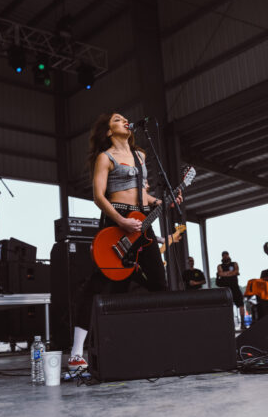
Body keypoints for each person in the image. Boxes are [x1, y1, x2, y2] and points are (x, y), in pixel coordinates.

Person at [68, 112, 182, 372]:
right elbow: (99, 196)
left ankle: (164, 344)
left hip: (142, 222)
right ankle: (76, 353)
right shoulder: (105, 157)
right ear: (109, 131)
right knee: (99, 283)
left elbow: (143, 193)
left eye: (124, 119)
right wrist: (121, 220)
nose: (124, 120)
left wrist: (161, 202)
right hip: (116, 221)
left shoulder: (140, 155)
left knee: (159, 282)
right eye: (117, 119)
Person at [216, 251, 245, 328]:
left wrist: (225, 274)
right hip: (226, 289)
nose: (225, 256)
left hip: (235, 287)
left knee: (241, 305)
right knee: (227, 307)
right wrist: (231, 273)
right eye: (224, 255)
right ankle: (229, 325)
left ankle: (243, 323)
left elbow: (236, 271)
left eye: (226, 255)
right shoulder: (220, 266)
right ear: (222, 257)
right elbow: (220, 273)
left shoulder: (234, 263)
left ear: (228, 255)